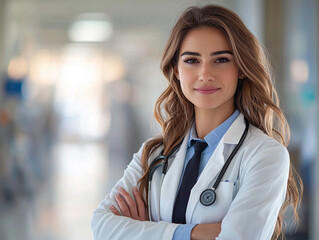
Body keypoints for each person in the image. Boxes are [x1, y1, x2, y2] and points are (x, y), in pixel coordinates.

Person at [91, 4, 303, 240]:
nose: (205, 74)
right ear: (177, 70)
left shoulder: (265, 155)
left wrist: (147, 231)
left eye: (221, 60)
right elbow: (101, 226)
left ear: (241, 68)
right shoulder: (154, 153)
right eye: (192, 60)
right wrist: (193, 233)